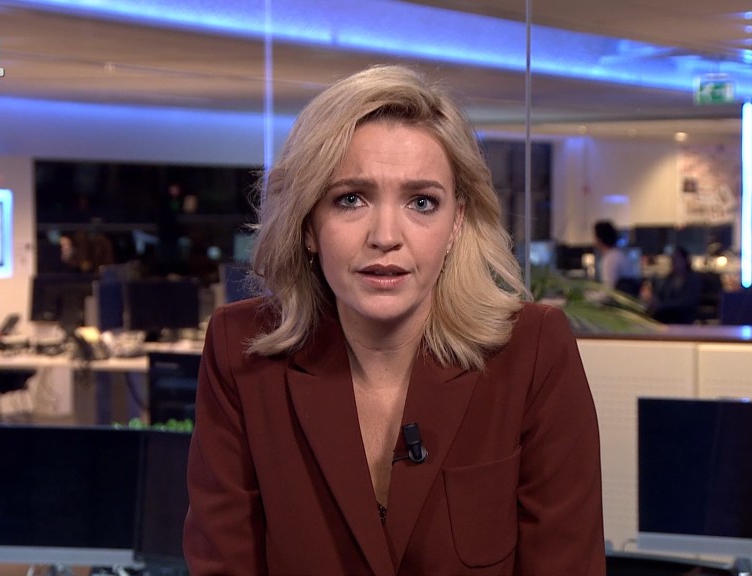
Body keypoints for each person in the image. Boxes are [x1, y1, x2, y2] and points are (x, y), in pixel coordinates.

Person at [184, 64, 605, 575]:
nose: (386, 236)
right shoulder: (240, 350)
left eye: (422, 202)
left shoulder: (533, 350)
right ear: (308, 225)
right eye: (350, 199)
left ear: (456, 222)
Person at [640, 246, 704, 324]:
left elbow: (686, 302)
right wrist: (652, 298)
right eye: (673, 259)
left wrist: (662, 305)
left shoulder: (692, 278)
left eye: (677, 259)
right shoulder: (670, 278)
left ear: (685, 261)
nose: (674, 262)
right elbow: (661, 294)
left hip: (683, 315)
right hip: (667, 314)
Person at [593, 219, 628, 293]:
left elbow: (609, 292)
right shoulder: (619, 255)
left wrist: (588, 296)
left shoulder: (610, 259)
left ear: (599, 239)